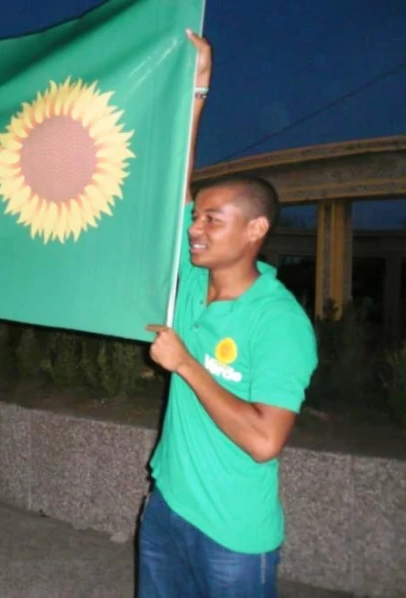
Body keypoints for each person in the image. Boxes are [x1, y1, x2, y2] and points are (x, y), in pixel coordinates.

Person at [139, 31, 318, 597]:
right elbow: (175, 187)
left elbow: (265, 441)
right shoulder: (193, 283)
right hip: (167, 509)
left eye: (212, 220)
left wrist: (188, 365)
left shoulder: (280, 322)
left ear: (255, 230)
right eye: (197, 218)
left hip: (234, 538)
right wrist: (197, 92)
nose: (195, 229)